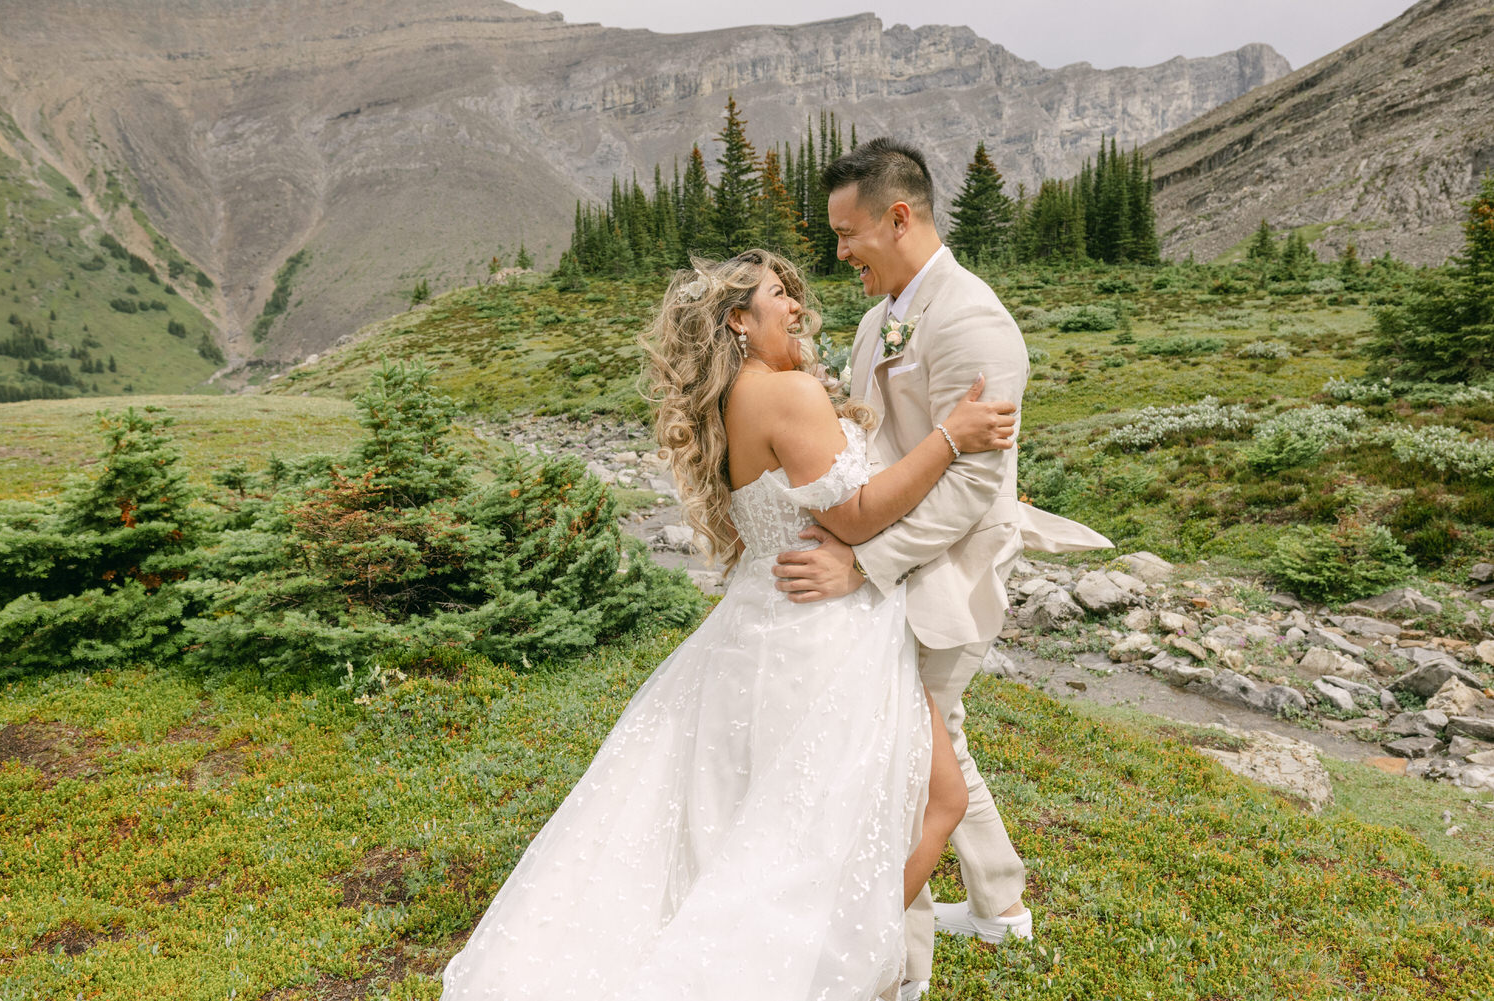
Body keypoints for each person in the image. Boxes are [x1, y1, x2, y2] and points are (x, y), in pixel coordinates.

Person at [441, 248, 1020, 1000]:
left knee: (761, 830)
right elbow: (860, 512)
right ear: (739, 320)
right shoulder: (785, 393)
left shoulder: (731, 400)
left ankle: (841, 965)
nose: (798, 308)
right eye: (780, 296)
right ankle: (830, 972)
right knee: (918, 806)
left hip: (758, 624)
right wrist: (952, 435)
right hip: (825, 630)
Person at [771, 138, 1110, 1000]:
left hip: (950, 569)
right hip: (896, 550)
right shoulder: (875, 313)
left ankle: (900, 967)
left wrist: (865, 560)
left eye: (849, 233)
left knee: (903, 753)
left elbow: (976, 483)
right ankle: (999, 903)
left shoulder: (973, 321)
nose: (838, 251)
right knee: (933, 739)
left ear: (899, 216)